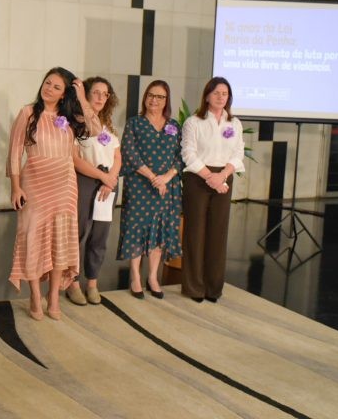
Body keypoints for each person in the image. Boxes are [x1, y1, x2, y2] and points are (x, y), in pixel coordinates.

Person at [7, 67, 101, 320]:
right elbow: (15, 151)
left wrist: (82, 97)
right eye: (47, 83)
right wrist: (16, 186)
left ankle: (54, 297)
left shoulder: (69, 116)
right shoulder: (28, 113)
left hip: (64, 183)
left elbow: (95, 130)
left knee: (60, 240)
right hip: (34, 182)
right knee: (33, 237)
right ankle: (35, 295)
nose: (49, 88)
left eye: (56, 87)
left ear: (64, 94)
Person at [181, 76, 245, 303]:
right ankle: (194, 287)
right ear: (207, 95)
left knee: (218, 233)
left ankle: (213, 288)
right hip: (198, 179)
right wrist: (210, 176)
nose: (220, 97)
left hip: (224, 178)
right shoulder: (193, 122)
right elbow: (188, 153)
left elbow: (238, 153)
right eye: (216, 93)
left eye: (225, 94)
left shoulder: (234, 123)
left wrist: (222, 175)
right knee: (195, 233)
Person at [117, 80, 182, 300]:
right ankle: (135, 276)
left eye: (160, 97)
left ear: (166, 101)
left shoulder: (173, 125)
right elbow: (129, 152)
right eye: (151, 95)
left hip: (166, 188)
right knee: (137, 230)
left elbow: (180, 156)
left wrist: (166, 177)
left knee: (160, 232)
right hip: (140, 185)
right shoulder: (135, 123)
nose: (154, 100)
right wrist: (154, 177)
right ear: (145, 97)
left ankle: (153, 276)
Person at [65, 77, 121, 306]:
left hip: (107, 184)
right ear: (85, 95)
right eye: (95, 92)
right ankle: (73, 282)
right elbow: (75, 160)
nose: (100, 97)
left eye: (104, 93)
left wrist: (111, 180)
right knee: (78, 232)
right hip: (85, 180)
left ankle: (93, 283)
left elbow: (117, 156)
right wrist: (102, 177)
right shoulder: (75, 123)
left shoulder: (106, 124)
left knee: (100, 236)